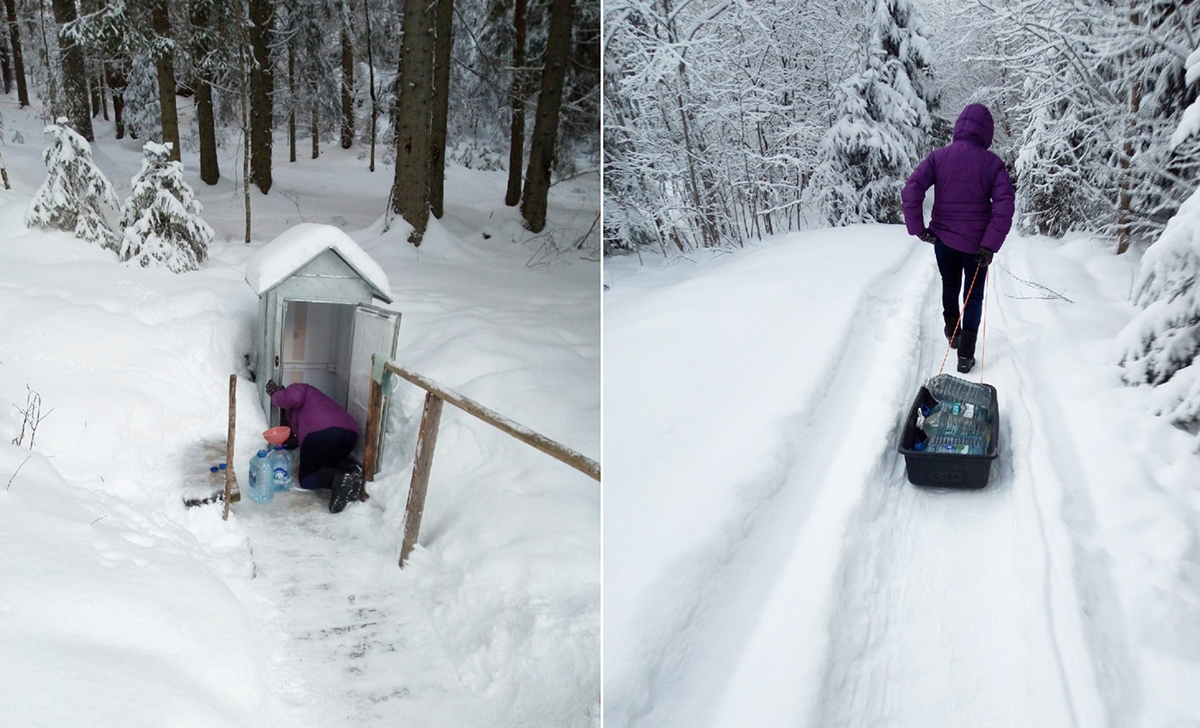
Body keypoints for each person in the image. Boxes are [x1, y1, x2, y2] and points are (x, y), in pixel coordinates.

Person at [902, 103, 1015, 374]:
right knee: (973, 296)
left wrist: (918, 228)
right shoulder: (993, 165)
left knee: (949, 283)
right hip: (978, 247)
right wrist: (990, 244)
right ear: (987, 132)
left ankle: (952, 330)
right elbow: (1005, 205)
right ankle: (965, 356)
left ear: (959, 127)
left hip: (944, 241)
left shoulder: (938, 157)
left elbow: (912, 189)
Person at [265, 380, 363, 513]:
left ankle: (337, 479)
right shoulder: (315, 402)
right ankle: (351, 471)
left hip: (320, 433)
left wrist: (275, 394)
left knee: (306, 478)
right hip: (350, 434)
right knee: (330, 462)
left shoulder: (301, 389)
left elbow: (287, 397)